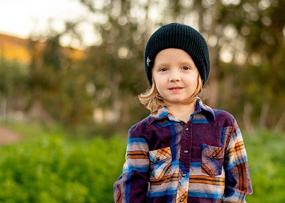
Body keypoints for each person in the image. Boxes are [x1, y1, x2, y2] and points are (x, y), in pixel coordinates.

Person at [113, 23, 253, 203]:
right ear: (153, 76)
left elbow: (238, 186)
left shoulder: (224, 124)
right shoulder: (142, 133)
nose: (174, 77)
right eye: (163, 69)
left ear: (199, 74)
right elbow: (131, 191)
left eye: (185, 68)